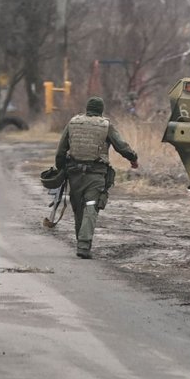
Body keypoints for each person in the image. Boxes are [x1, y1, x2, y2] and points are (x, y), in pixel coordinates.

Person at [55, 97, 139, 259]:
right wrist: (133, 159)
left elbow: (61, 150)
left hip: (74, 174)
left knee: (79, 207)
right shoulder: (105, 125)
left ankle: (81, 241)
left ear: (87, 109)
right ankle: (84, 246)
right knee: (91, 206)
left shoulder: (73, 123)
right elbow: (121, 146)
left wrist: (60, 169)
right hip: (95, 174)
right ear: (101, 110)